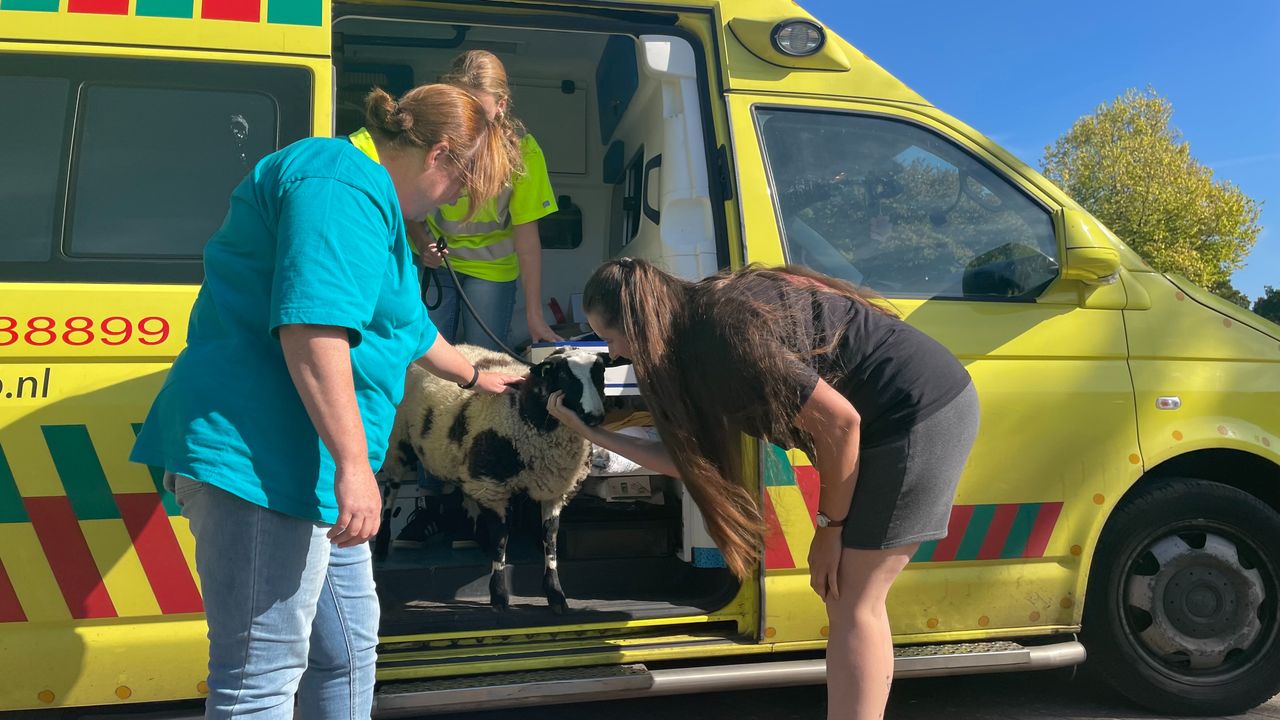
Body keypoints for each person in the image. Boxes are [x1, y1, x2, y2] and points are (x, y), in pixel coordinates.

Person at [129, 83, 523, 719]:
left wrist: (480, 377)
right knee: (260, 676)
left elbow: (407, 327)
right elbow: (312, 328)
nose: (453, 204)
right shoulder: (339, 182)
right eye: (460, 189)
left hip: (307, 469)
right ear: (440, 154)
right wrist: (355, 467)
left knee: (345, 652)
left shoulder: (373, 207)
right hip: (263, 460)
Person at [546, 259, 979, 720]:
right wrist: (592, 433)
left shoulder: (719, 337)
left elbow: (840, 422)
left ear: (638, 322)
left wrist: (829, 529)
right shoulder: (693, 334)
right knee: (848, 597)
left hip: (915, 410)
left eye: (611, 338)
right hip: (888, 415)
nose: (613, 354)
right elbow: (689, 463)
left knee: (853, 597)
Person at [398, 49, 562, 547]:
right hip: (439, 268)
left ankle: (481, 503)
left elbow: (528, 238)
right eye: (460, 102)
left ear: (501, 104)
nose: (469, 113)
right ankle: (434, 504)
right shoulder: (438, 140)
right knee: (428, 379)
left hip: (493, 274)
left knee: (485, 381)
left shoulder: (523, 152)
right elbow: (408, 202)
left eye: (479, 104)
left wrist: (534, 314)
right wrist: (420, 239)